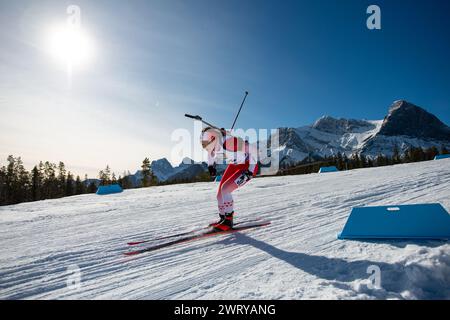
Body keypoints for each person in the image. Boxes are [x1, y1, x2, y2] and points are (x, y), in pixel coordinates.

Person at [201, 127, 258, 231]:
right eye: (203, 144)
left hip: (247, 165)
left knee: (225, 189)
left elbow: (253, 150)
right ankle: (223, 218)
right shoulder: (213, 146)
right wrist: (210, 166)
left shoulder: (229, 143)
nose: (205, 147)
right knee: (219, 195)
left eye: (205, 144)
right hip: (234, 165)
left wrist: (250, 170)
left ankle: (228, 221)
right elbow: (210, 154)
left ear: (213, 138)